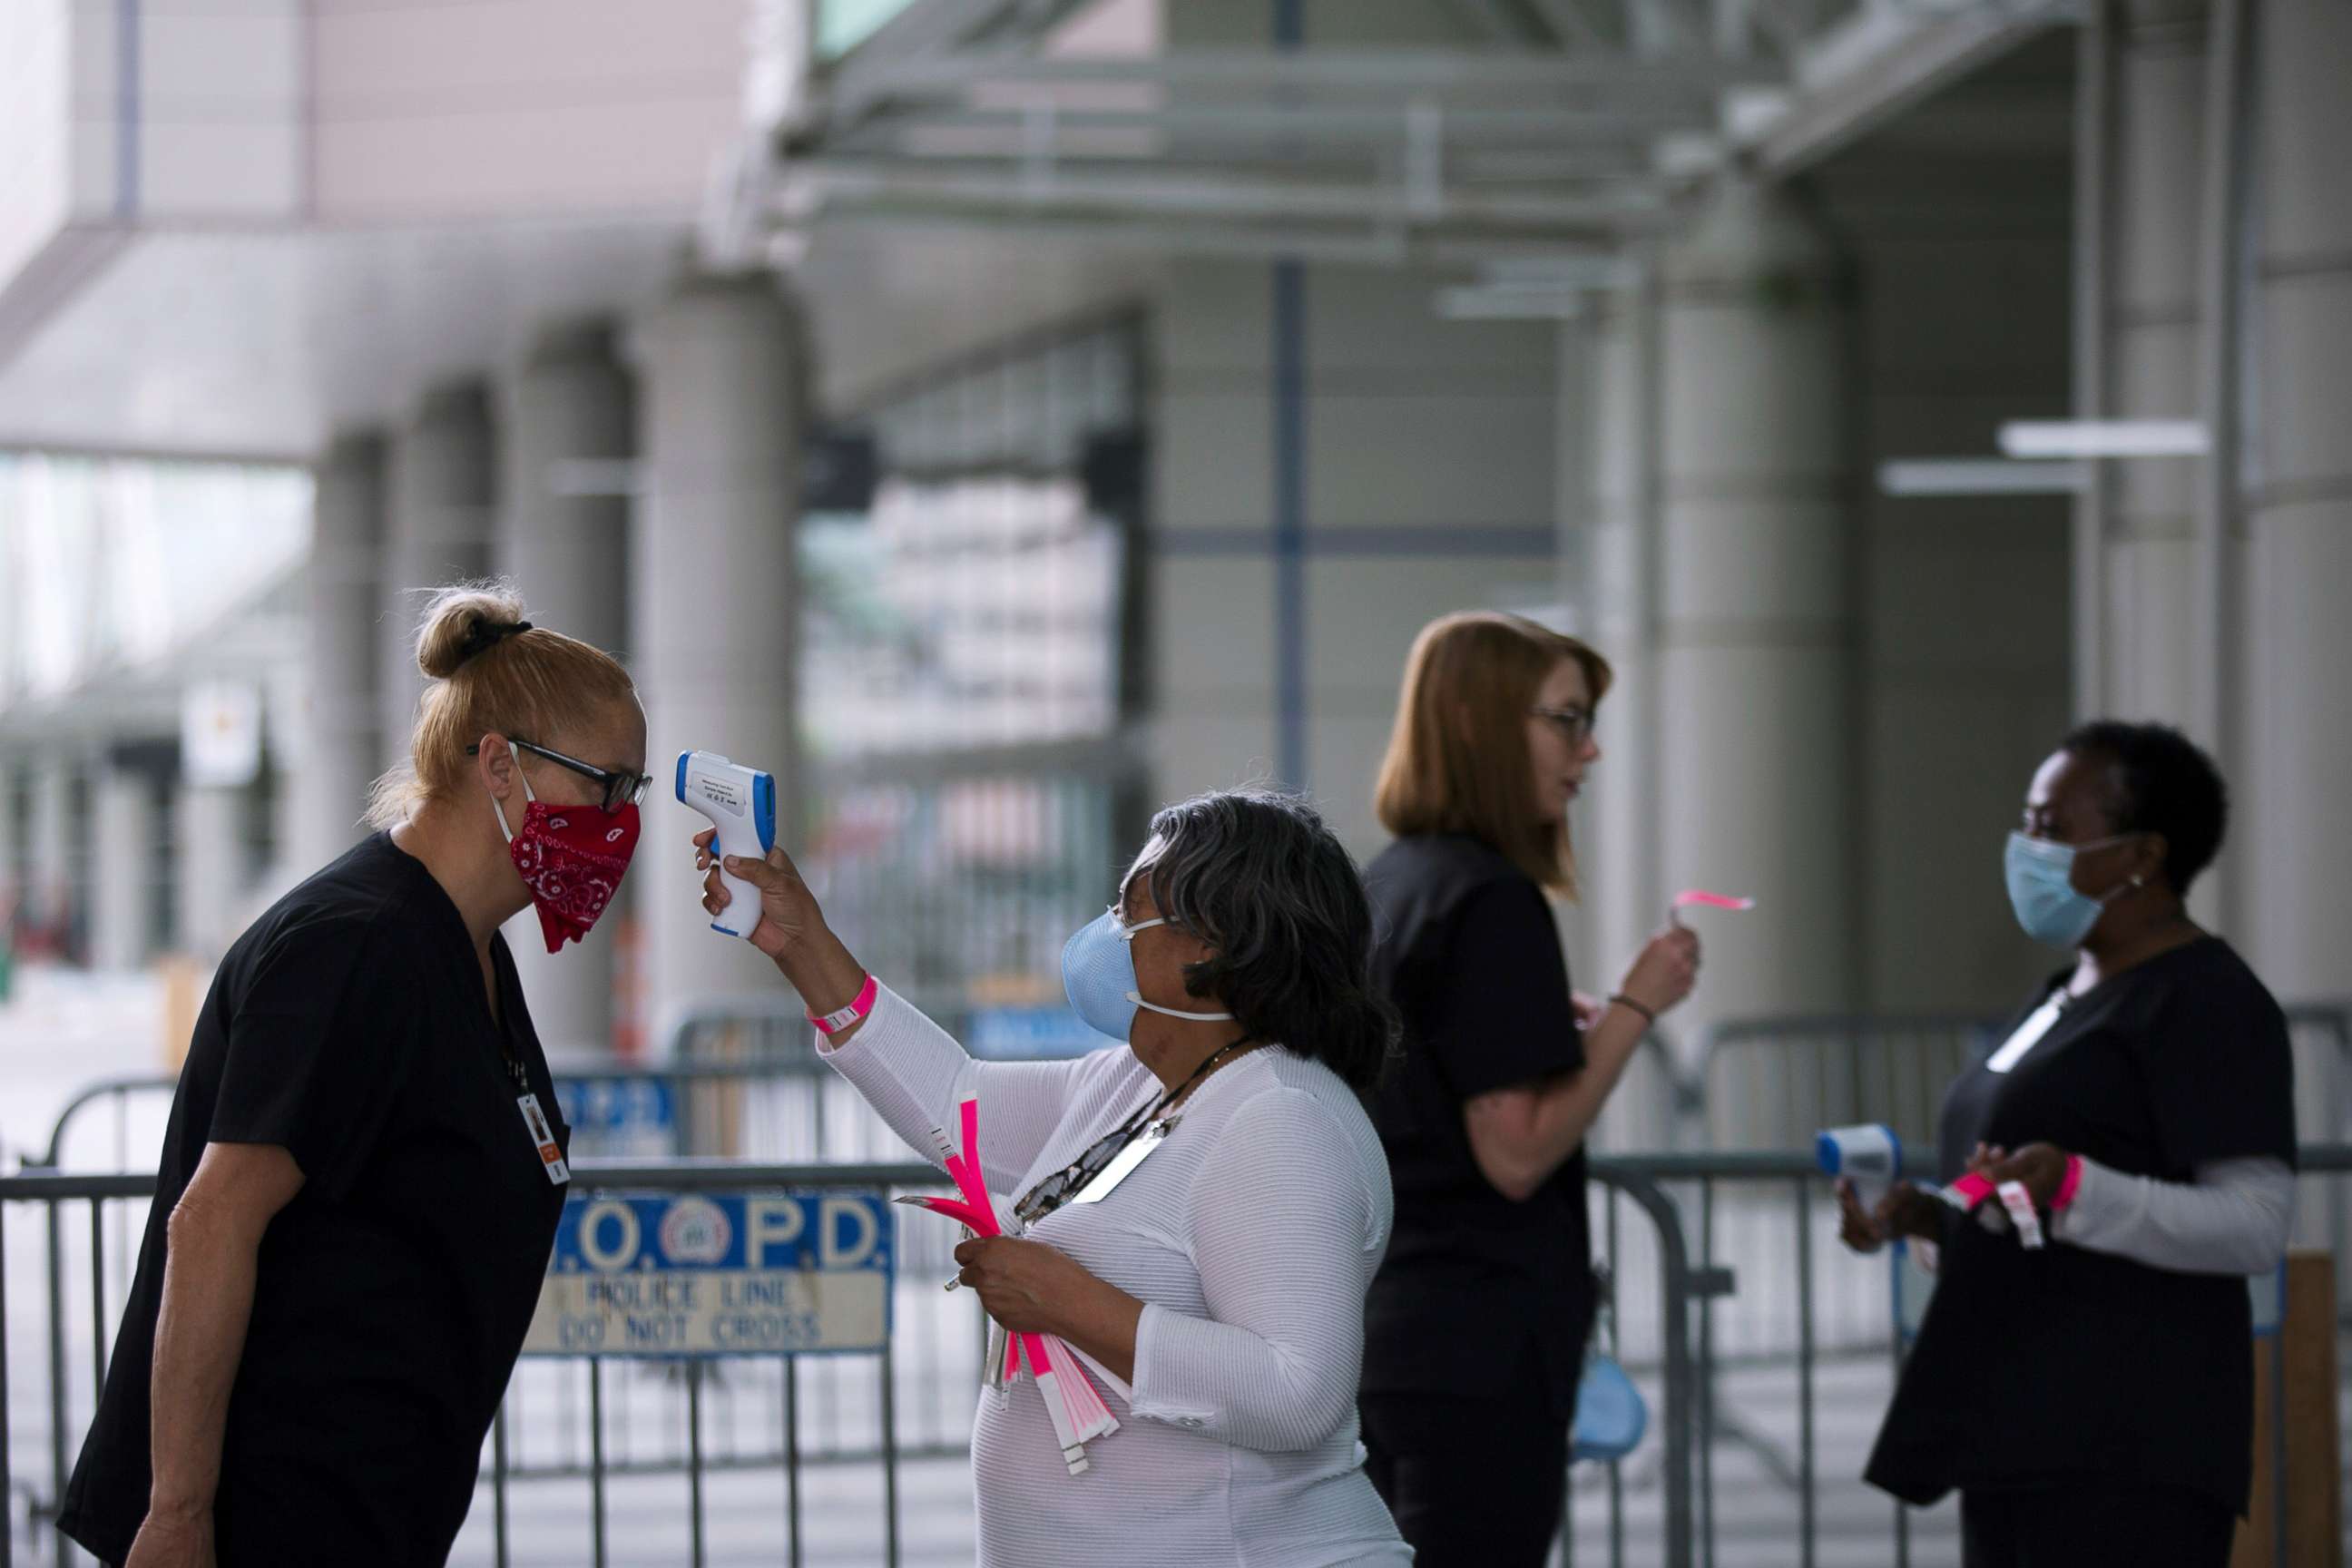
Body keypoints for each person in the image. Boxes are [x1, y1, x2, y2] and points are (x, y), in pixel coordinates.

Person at [60, 584, 650, 1568]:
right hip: (267, 1517)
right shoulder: (355, 948)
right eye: (608, 785)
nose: (623, 824)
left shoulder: (465, 946)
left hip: (371, 1513)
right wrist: (176, 1518)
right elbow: (211, 1223)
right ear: (498, 764)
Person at [691, 788, 1412, 1567]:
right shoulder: (1137, 1083)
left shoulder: (1281, 1120)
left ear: (1210, 944)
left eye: (1128, 913)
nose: (1107, 934)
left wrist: (1072, 1304)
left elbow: (1298, 1391)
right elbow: (953, 1101)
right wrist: (801, 944)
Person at [1845, 720, 2297, 1568]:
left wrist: (2077, 1187)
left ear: (2142, 856)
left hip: (2128, 1443)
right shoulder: (2061, 997)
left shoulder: (2206, 1001)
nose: (2027, 848)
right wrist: (1930, 1221)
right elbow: (2020, 1202)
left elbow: (2254, 1223)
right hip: (2016, 1428)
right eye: (2026, 824)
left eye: (2052, 828)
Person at [1356, 610, 1701, 1565]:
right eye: (1564, 720)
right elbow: (1514, 1152)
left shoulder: (1394, 883)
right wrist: (1638, 1005)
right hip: (1476, 1346)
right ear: (1476, 722)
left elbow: (1435, 1073)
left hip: (1387, 1332)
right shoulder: (1491, 898)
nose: (1586, 753)